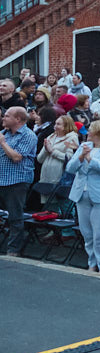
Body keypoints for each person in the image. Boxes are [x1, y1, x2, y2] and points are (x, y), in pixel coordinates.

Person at [64, 119, 100, 274]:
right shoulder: (85, 146)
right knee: (87, 233)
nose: (87, 132)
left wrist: (90, 159)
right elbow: (70, 168)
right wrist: (81, 157)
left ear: (98, 133)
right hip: (82, 193)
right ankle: (92, 263)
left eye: (90, 130)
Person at [0, 107, 37, 254]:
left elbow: (16, 157)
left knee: (15, 216)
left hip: (16, 181)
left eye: (7, 116)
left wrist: (3, 143)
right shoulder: (5, 133)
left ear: (18, 119)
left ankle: (13, 250)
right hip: (1, 179)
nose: (3, 118)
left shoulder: (28, 135)